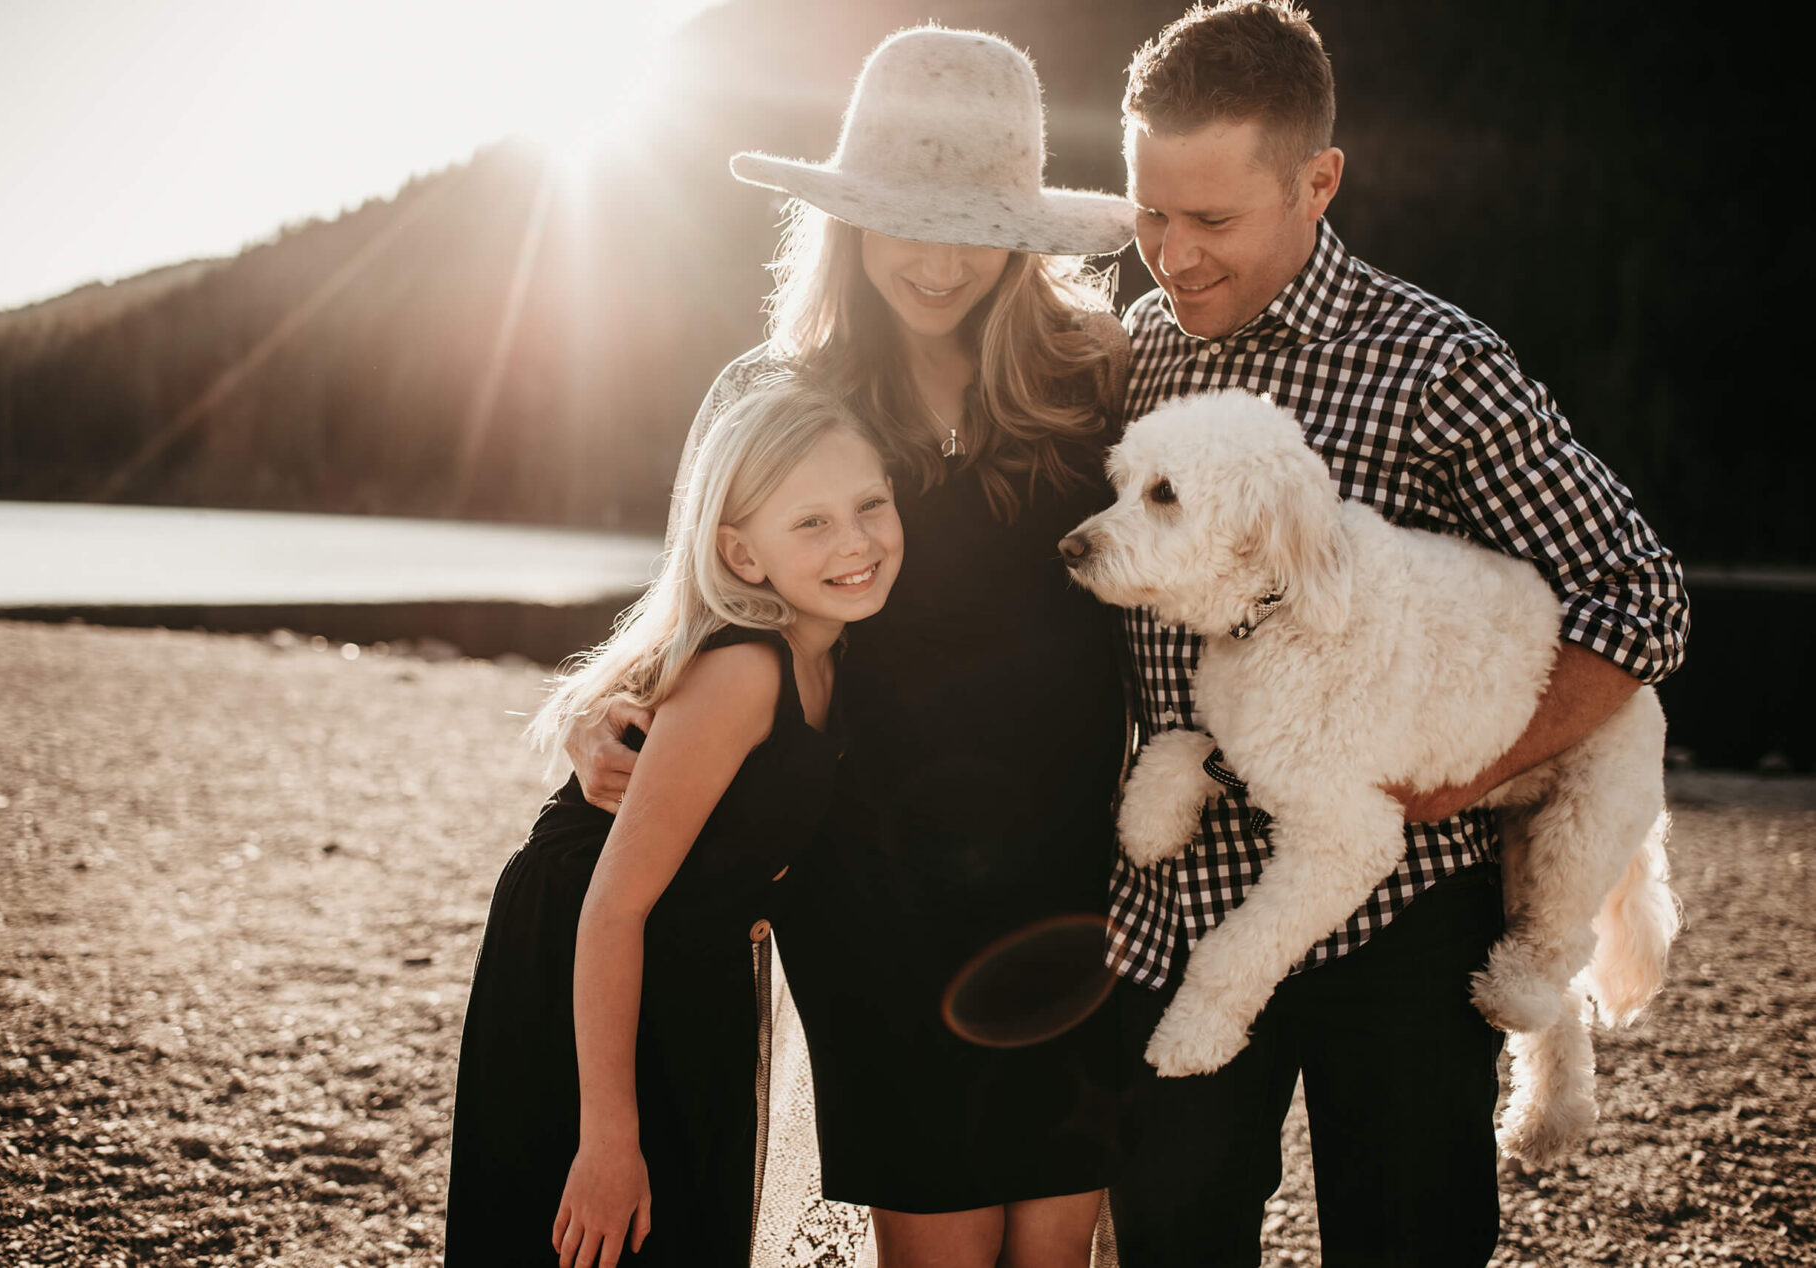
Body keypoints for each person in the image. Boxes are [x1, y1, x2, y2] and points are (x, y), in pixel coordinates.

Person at [1102, 4, 1691, 1266]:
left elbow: (1639, 594)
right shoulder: (1136, 349)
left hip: (1401, 918)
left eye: (1211, 219)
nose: (1172, 255)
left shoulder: (1435, 365)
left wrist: (1466, 773)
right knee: (1168, 1244)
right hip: (1181, 900)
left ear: (1316, 182)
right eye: (1149, 212)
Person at [570, 27, 1138, 1268]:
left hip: (1073, 889)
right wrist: (601, 708)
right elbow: (703, 598)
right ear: (847, 219)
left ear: (1022, 229)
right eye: (903, 221)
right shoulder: (790, 390)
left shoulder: (1096, 378)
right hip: (875, 903)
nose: (937, 261)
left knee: (1056, 1245)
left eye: (973, 226)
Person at [446, 378, 905, 1268]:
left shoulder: (836, 652)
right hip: (584, 966)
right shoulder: (747, 671)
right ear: (741, 555)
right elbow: (613, 907)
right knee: (595, 1223)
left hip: (686, 970)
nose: (855, 541)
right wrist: (607, 1141)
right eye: (811, 522)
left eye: (870, 505)